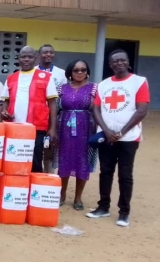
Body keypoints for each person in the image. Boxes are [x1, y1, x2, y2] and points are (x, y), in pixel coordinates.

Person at [87, 49, 150, 227]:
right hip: (107, 136)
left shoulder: (139, 82)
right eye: (115, 61)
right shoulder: (104, 84)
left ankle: (124, 212)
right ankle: (103, 207)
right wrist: (106, 131)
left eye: (122, 60)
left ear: (128, 62)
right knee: (105, 172)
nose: (119, 63)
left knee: (125, 174)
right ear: (110, 64)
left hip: (129, 137)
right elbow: (96, 109)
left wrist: (121, 132)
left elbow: (142, 110)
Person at [1, 46, 58, 173]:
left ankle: (34, 191)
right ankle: (17, 187)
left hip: (36, 127)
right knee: (14, 159)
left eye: (30, 57)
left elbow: (52, 104)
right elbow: (5, 100)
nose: (26, 59)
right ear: (19, 59)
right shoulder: (11, 78)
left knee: (35, 160)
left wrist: (53, 128)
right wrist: (4, 111)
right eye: (23, 56)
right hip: (14, 127)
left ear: (36, 58)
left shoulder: (46, 77)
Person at [56, 59, 97, 211]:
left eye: (83, 70)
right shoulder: (62, 88)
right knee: (64, 160)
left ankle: (78, 197)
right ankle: (62, 194)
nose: (80, 72)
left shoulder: (93, 88)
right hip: (64, 129)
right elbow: (56, 109)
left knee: (82, 161)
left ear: (87, 72)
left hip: (85, 129)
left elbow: (97, 109)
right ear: (70, 72)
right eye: (76, 70)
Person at [38, 44, 68, 174]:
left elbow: (64, 95)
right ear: (39, 55)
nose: (48, 55)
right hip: (37, 116)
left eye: (51, 52)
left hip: (54, 116)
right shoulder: (33, 71)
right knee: (37, 148)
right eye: (45, 52)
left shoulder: (61, 73)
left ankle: (48, 177)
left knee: (50, 148)